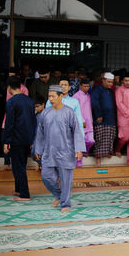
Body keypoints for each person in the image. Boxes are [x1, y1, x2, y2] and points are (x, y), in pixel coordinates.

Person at [34, 85, 85, 213]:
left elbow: (77, 131)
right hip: (49, 152)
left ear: (61, 96)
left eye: (53, 96)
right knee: (46, 177)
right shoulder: (45, 113)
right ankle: (59, 195)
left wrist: (78, 149)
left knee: (66, 180)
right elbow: (40, 133)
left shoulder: (69, 112)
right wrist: (38, 149)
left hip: (66, 151)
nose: (50, 99)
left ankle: (65, 204)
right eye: (49, 96)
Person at [3, 76, 36, 201]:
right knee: (21, 164)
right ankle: (18, 189)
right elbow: (33, 121)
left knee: (18, 167)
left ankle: (24, 194)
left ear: (9, 88)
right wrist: (33, 139)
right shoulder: (29, 101)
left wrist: (6, 141)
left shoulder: (11, 102)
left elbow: (9, 123)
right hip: (27, 138)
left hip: (16, 138)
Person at [0, 73, 29, 172]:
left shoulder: (23, 90)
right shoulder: (8, 93)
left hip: (18, 123)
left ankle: (19, 165)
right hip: (7, 120)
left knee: (15, 147)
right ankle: (7, 163)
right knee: (4, 139)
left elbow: (23, 108)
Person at [91, 72, 117, 167]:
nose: (110, 84)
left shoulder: (111, 91)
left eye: (112, 82)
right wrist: (98, 115)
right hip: (101, 118)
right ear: (103, 80)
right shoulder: (97, 89)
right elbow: (95, 102)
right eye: (108, 82)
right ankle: (98, 160)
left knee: (111, 136)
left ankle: (107, 153)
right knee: (100, 138)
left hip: (110, 118)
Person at [114, 72, 129, 165]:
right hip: (123, 118)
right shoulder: (119, 90)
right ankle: (117, 149)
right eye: (126, 80)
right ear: (123, 81)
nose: (128, 82)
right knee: (124, 137)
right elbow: (119, 104)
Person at [73, 78, 95, 156]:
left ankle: (85, 151)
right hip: (80, 122)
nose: (86, 88)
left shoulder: (89, 96)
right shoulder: (76, 96)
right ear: (80, 86)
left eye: (88, 86)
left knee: (91, 141)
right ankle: (81, 153)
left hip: (89, 122)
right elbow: (75, 110)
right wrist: (81, 120)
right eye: (85, 86)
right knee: (80, 140)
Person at [31, 96, 46, 170]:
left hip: (43, 139)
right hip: (36, 138)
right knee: (34, 153)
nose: (36, 108)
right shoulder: (36, 115)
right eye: (35, 107)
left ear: (43, 105)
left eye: (37, 106)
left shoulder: (46, 114)